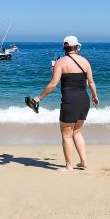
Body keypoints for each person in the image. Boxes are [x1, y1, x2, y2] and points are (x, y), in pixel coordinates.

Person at [31, 36, 99, 171]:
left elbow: (53, 84)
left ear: (64, 48)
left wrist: (39, 98)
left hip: (70, 101)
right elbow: (91, 82)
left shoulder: (60, 63)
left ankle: (69, 166)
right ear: (77, 47)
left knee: (67, 135)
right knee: (77, 132)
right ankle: (83, 161)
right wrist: (95, 96)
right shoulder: (85, 62)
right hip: (84, 100)